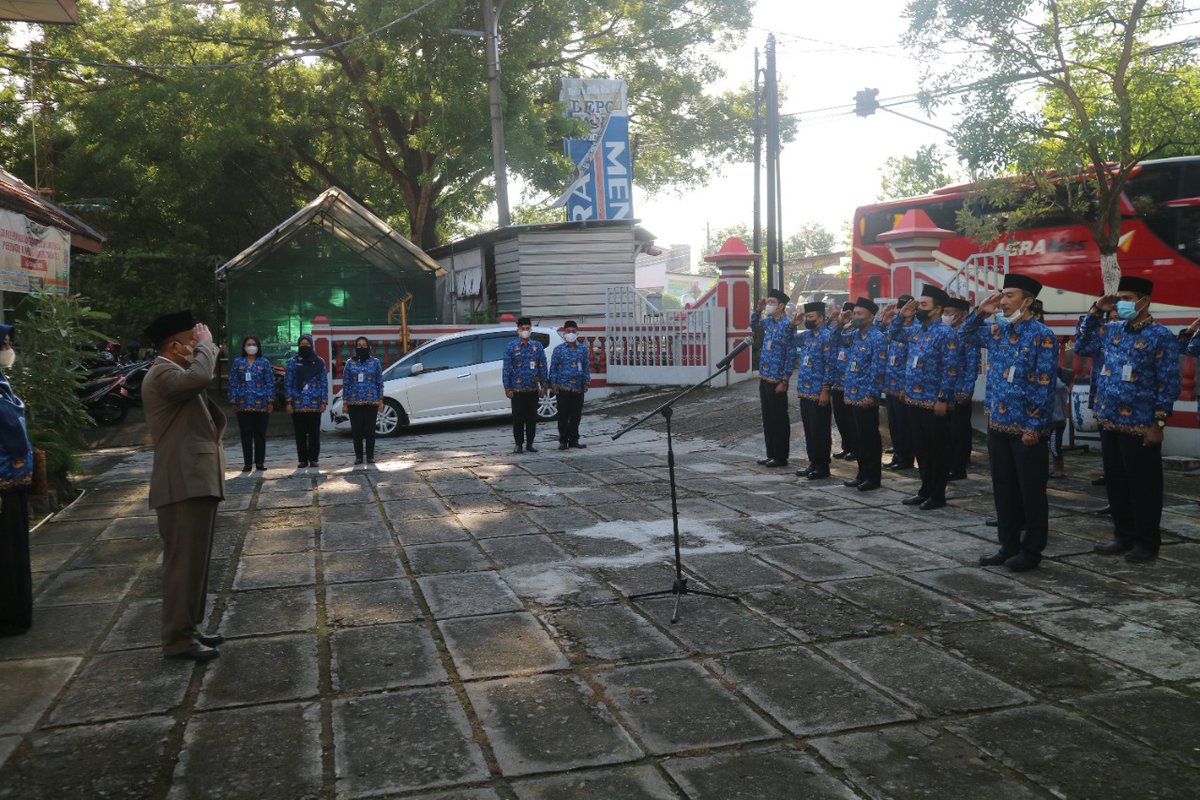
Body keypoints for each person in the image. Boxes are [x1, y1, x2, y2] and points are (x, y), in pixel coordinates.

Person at [1075, 276, 1181, 562]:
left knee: (1143, 486)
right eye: (1118, 299)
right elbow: (1081, 345)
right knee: (1116, 483)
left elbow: (1168, 384)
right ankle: (1123, 536)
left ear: (1144, 302)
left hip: (1141, 424)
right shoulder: (1111, 330)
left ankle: (1147, 543)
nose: (1120, 304)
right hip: (1109, 420)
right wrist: (1096, 309)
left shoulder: (1161, 336)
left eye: (1127, 299)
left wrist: (1158, 423)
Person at [141, 311, 225, 661]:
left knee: (195, 564)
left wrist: (201, 349)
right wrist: (207, 347)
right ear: (175, 347)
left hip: (194, 479)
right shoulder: (162, 373)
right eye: (192, 340)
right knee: (182, 565)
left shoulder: (175, 372)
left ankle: (188, 628)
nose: (198, 344)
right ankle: (177, 640)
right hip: (182, 482)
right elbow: (202, 376)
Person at [961, 276, 1058, 571]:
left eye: (1009, 296)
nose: (1002, 301)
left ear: (1027, 301)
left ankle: (1031, 551)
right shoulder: (997, 331)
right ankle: (1008, 545)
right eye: (1002, 295)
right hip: (998, 424)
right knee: (1003, 489)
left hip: (1026, 429)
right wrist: (981, 311)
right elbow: (965, 334)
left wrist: (1034, 426)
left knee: (1031, 492)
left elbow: (1044, 385)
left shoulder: (1043, 336)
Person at [889, 285, 961, 510]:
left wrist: (943, 398)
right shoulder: (916, 331)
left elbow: (951, 368)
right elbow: (892, 334)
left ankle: (937, 495)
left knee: (937, 450)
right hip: (913, 399)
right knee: (921, 449)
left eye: (923, 305)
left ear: (936, 309)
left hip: (933, 401)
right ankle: (925, 490)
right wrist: (901, 316)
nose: (917, 308)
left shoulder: (945, 333)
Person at [0, 324, 34, 637]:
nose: (8, 351)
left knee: (14, 550)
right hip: (3, 482)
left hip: (14, 481)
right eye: (4, 345)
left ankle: (16, 611)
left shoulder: (3, 383)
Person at [837, 297, 888, 491]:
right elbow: (839, 339)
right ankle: (861, 474)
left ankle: (872, 477)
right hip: (852, 394)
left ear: (870, 317)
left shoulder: (877, 337)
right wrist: (842, 323)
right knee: (858, 438)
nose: (855, 317)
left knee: (869, 438)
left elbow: (878, 370)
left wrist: (872, 395)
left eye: (859, 314)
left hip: (866, 396)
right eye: (854, 313)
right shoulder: (856, 335)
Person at [751, 290, 797, 467]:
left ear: (781, 306)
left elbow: (791, 354)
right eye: (768, 301)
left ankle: (780, 456)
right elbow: (754, 324)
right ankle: (770, 453)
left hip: (778, 380)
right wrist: (758, 309)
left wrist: (785, 380)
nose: (768, 304)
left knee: (779, 419)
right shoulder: (769, 322)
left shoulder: (788, 325)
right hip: (765, 377)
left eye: (772, 302)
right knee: (768, 418)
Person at [793, 301, 835, 480]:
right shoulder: (807, 336)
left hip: (818, 391)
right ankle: (813, 462)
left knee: (820, 431)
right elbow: (787, 340)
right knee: (809, 430)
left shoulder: (827, 336)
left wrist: (826, 389)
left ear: (821, 318)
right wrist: (793, 325)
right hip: (805, 390)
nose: (808, 319)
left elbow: (830, 365)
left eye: (811, 317)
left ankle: (822, 466)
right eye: (806, 317)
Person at [228, 335, 274, 472]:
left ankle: (260, 463)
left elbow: (270, 382)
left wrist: (270, 401)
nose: (251, 347)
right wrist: (232, 400)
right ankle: (247, 463)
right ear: (244, 347)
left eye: (254, 344)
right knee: (246, 434)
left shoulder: (264, 362)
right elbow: (233, 382)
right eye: (249, 344)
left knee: (260, 434)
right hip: (243, 404)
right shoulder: (238, 362)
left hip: (262, 405)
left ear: (258, 347)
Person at [880, 294, 915, 471]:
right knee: (894, 424)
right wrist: (885, 318)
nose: (902, 313)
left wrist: (906, 386)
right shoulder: (896, 329)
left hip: (903, 387)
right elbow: (880, 336)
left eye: (905, 310)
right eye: (900, 310)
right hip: (890, 385)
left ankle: (906, 459)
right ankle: (898, 455)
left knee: (905, 426)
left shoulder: (915, 330)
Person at [502, 316, 547, 454]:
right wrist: (507, 387)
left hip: (533, 389)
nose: (525, 331)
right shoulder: (511, 347)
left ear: (531, 329)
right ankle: (518, 444)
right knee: (518, 419)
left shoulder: (537, 346)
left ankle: (530, 443)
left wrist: (543, 385)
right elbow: (507, 369)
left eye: (528, 328)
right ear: (518, 330)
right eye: (523, 329)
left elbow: (542, 366)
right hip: (517, 390)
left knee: (532, 418)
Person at [944, 297, 977, 481]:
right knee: (947, 430)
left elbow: (972, 365)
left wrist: (967, 390)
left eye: (949, 312)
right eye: (944, 312)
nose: (945, 316)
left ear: (963, 314)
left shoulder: (968, 336)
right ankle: (949, 463)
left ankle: (958, 467)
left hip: (960, 390)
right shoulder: (946, 333)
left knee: (959, 431)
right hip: (945, 390)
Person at [286, 334, 328, 470]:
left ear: (311, 345)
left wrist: (324, 401)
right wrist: (288, 401)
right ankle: (302, 460)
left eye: (307, 344)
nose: (304, 347)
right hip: (297, 404)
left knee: (314, 434)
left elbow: (323, 383)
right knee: (300, 434)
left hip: (314, 404)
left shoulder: (319, 362)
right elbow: (288, 382)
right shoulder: (292, 362)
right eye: (302, 345)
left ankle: (314, 459)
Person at [342, 336, 385, 465]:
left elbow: (379, 382)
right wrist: (344, 402)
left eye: (364, 345)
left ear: (368, 347)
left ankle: (370, 456)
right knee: (356, 431)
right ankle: (359, 457)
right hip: (353, 401)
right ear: (355, 347)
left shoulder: (375, 362)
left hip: (371, 401)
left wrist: (381, 400)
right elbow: (346, 383)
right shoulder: (350, 363)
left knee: (370, 430)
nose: (361, 347)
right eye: (359, 345)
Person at [549, 320, 591, 450]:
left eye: (573, 331)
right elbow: (553, 368)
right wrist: (553, 383)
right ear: (564, 333)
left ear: (577, 333)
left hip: (578, 387)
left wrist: (586, 381)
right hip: (563, 387)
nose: (571, 334)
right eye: (568, 331)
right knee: (563, 415)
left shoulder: (583, 349)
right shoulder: (558, 349)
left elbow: (586, 366)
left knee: (576, 416)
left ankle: (574, 440)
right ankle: (563, 441)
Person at [829, 301, 858, 460]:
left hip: (851, 382)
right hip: (837, 382)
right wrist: (839, 323)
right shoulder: (839, 329)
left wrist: (849, 324)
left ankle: (856, 448)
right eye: (844, 312)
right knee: (840, 417)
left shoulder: (857, 330)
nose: (847, 315)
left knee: (852, 418)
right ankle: (846, 447)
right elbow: (831, 339)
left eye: (849, 313)